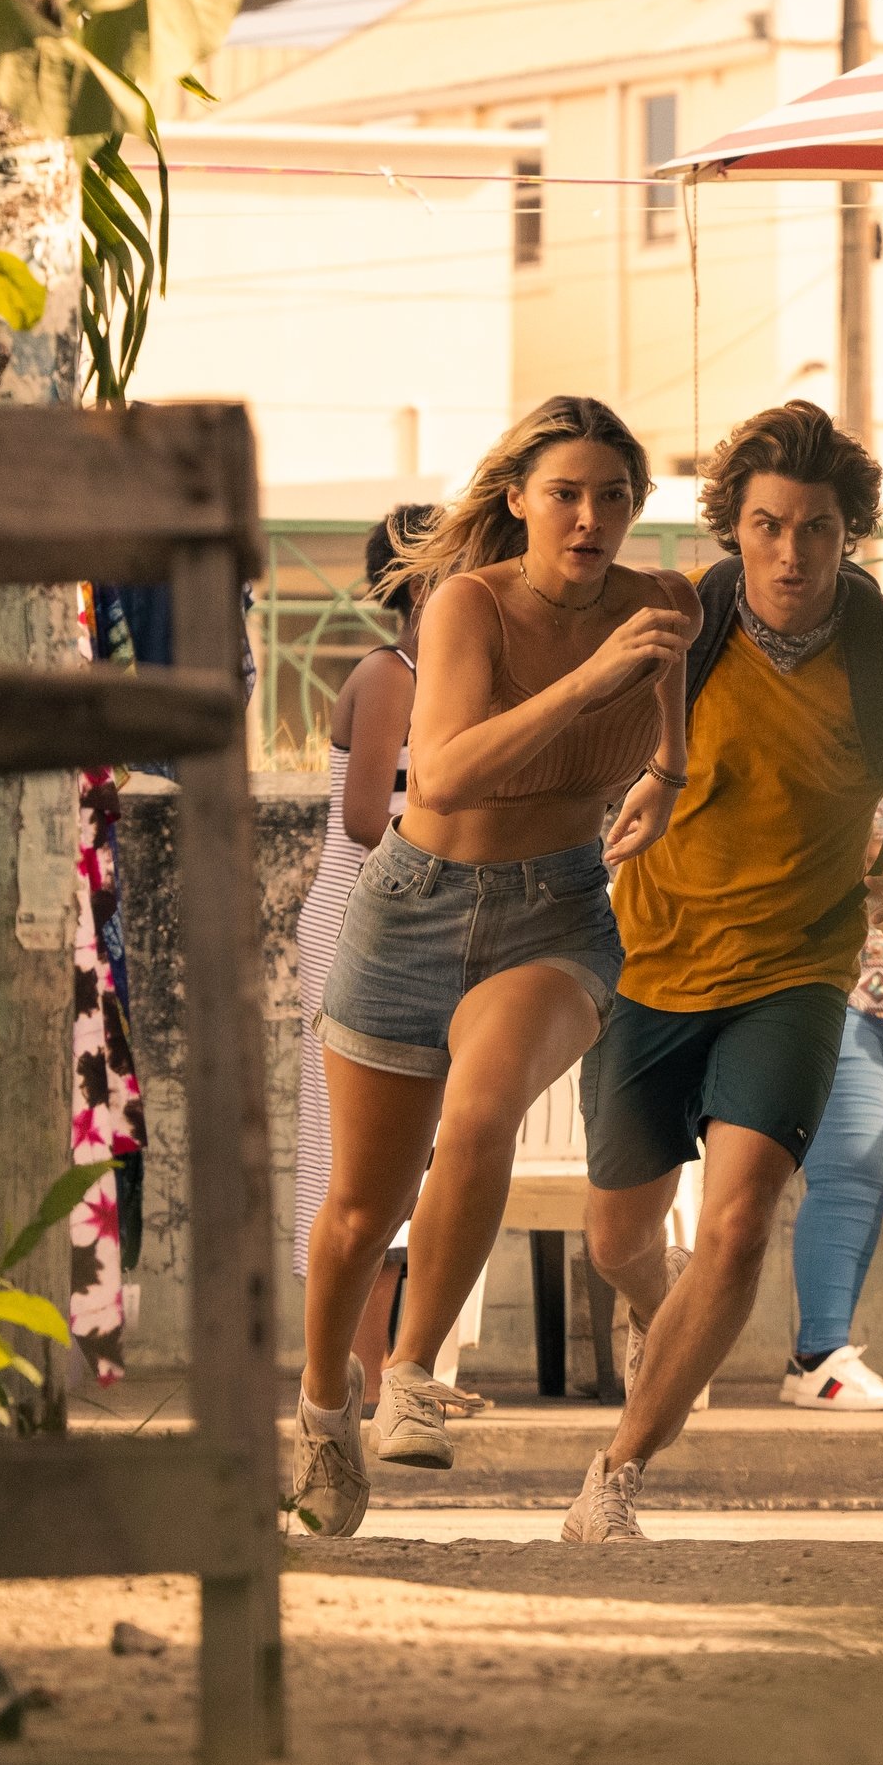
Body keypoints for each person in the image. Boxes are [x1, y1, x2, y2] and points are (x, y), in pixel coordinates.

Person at [562, 402, 883, 1540]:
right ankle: (665, 1321)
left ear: (850, 532)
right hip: (651, 965)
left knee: (742, 1222)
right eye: (767, 527)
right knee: (617, 1240)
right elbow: (570, 741)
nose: (792, 553)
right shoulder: (676, 634)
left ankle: (615, 1477)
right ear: (731, 529)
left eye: (816, 528)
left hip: (797, 975)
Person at [287, 397, 696, 1539]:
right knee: (359, 1210)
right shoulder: (468, 606)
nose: (589, 518)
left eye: (614, 497)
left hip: (557, 914)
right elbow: (450, 775)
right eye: (566, 493)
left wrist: (665, 775)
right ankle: (326, 1417)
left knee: (482, 1112)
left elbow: (675, 727)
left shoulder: (666, 604)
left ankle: (411, 1376)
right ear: (518, 498)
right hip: (414, 909)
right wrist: (588, 681)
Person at [288, 511, 433, 1407]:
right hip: (357, 928)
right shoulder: (390, 676)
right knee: (351, 1160)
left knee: (397, 1158)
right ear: (421, 582)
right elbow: (364, 818)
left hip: (405, 928)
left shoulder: (451, 679)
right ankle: (355, 1382)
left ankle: (373, 1379)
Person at [780, 811, 883, 1411]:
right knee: (849, 1171)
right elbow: (865, 852)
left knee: (881, 1172)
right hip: (839, 996)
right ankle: (822, 1357)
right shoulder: (843, 750)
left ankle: (816, 1357)